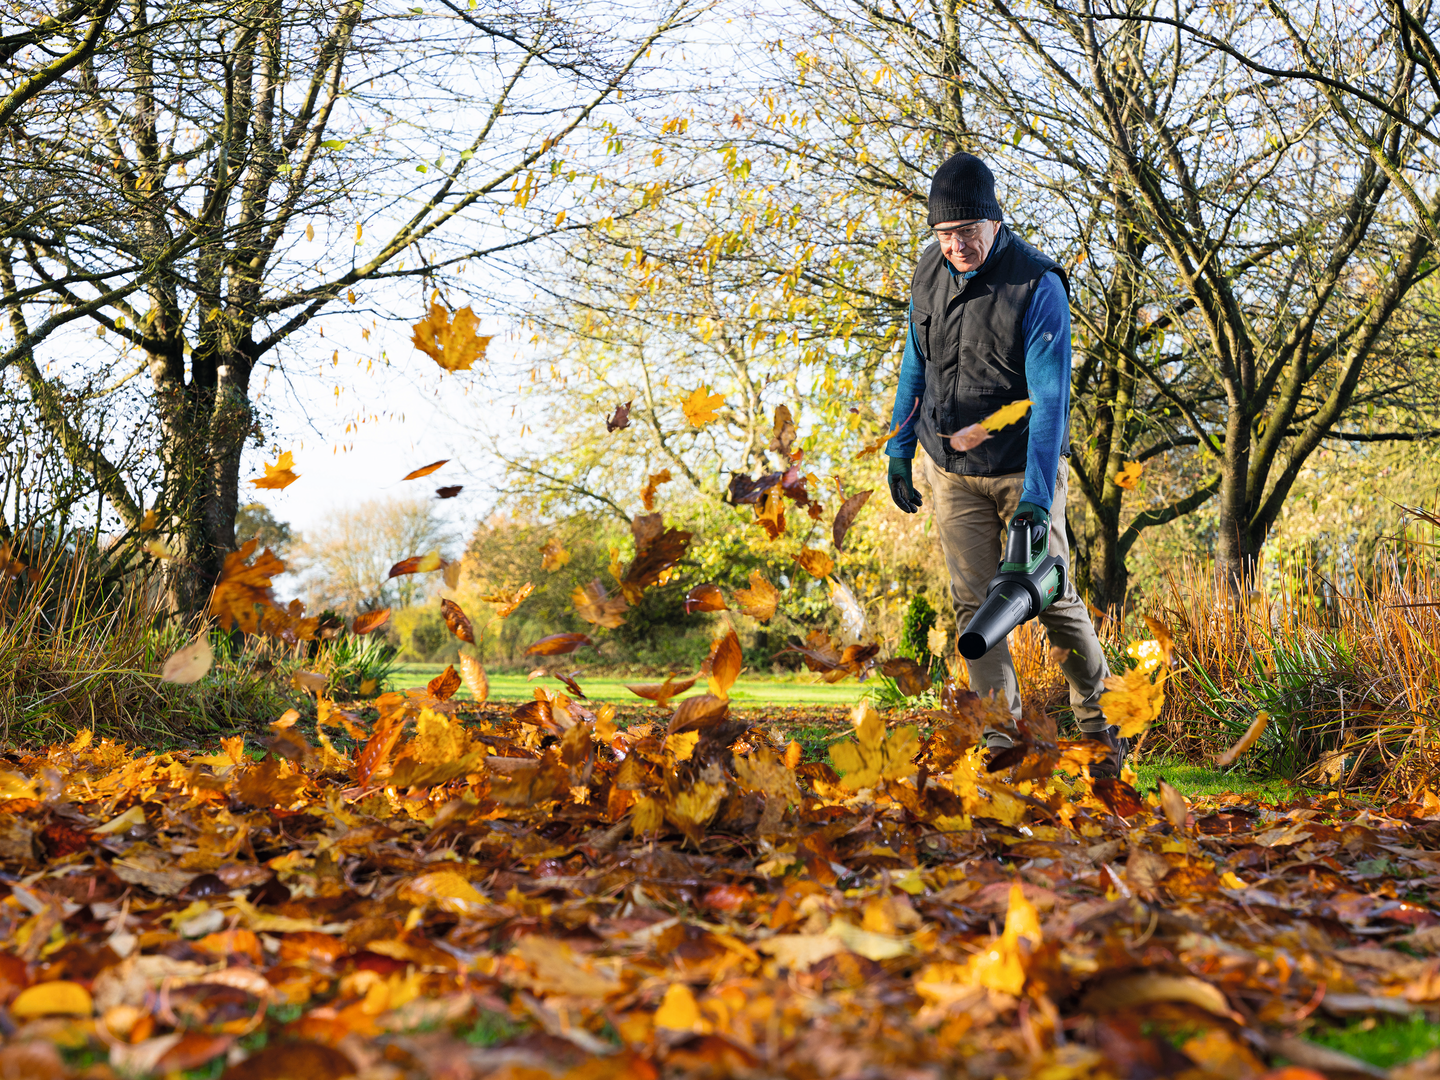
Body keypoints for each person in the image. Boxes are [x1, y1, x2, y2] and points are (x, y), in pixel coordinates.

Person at [883, 151, 1121, 776]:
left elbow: (1051, 401)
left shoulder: (1036, 285)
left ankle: (1100, 727)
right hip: (951, 472)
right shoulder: (927, 273)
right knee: (973, 607)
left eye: (967, 232)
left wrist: (1039, 499)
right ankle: (1001, 744)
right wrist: (900, 447)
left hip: (1023, 469)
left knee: (1048, 594)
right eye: (944, 234)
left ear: (994, 222)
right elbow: (916, 366)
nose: (956, 245)